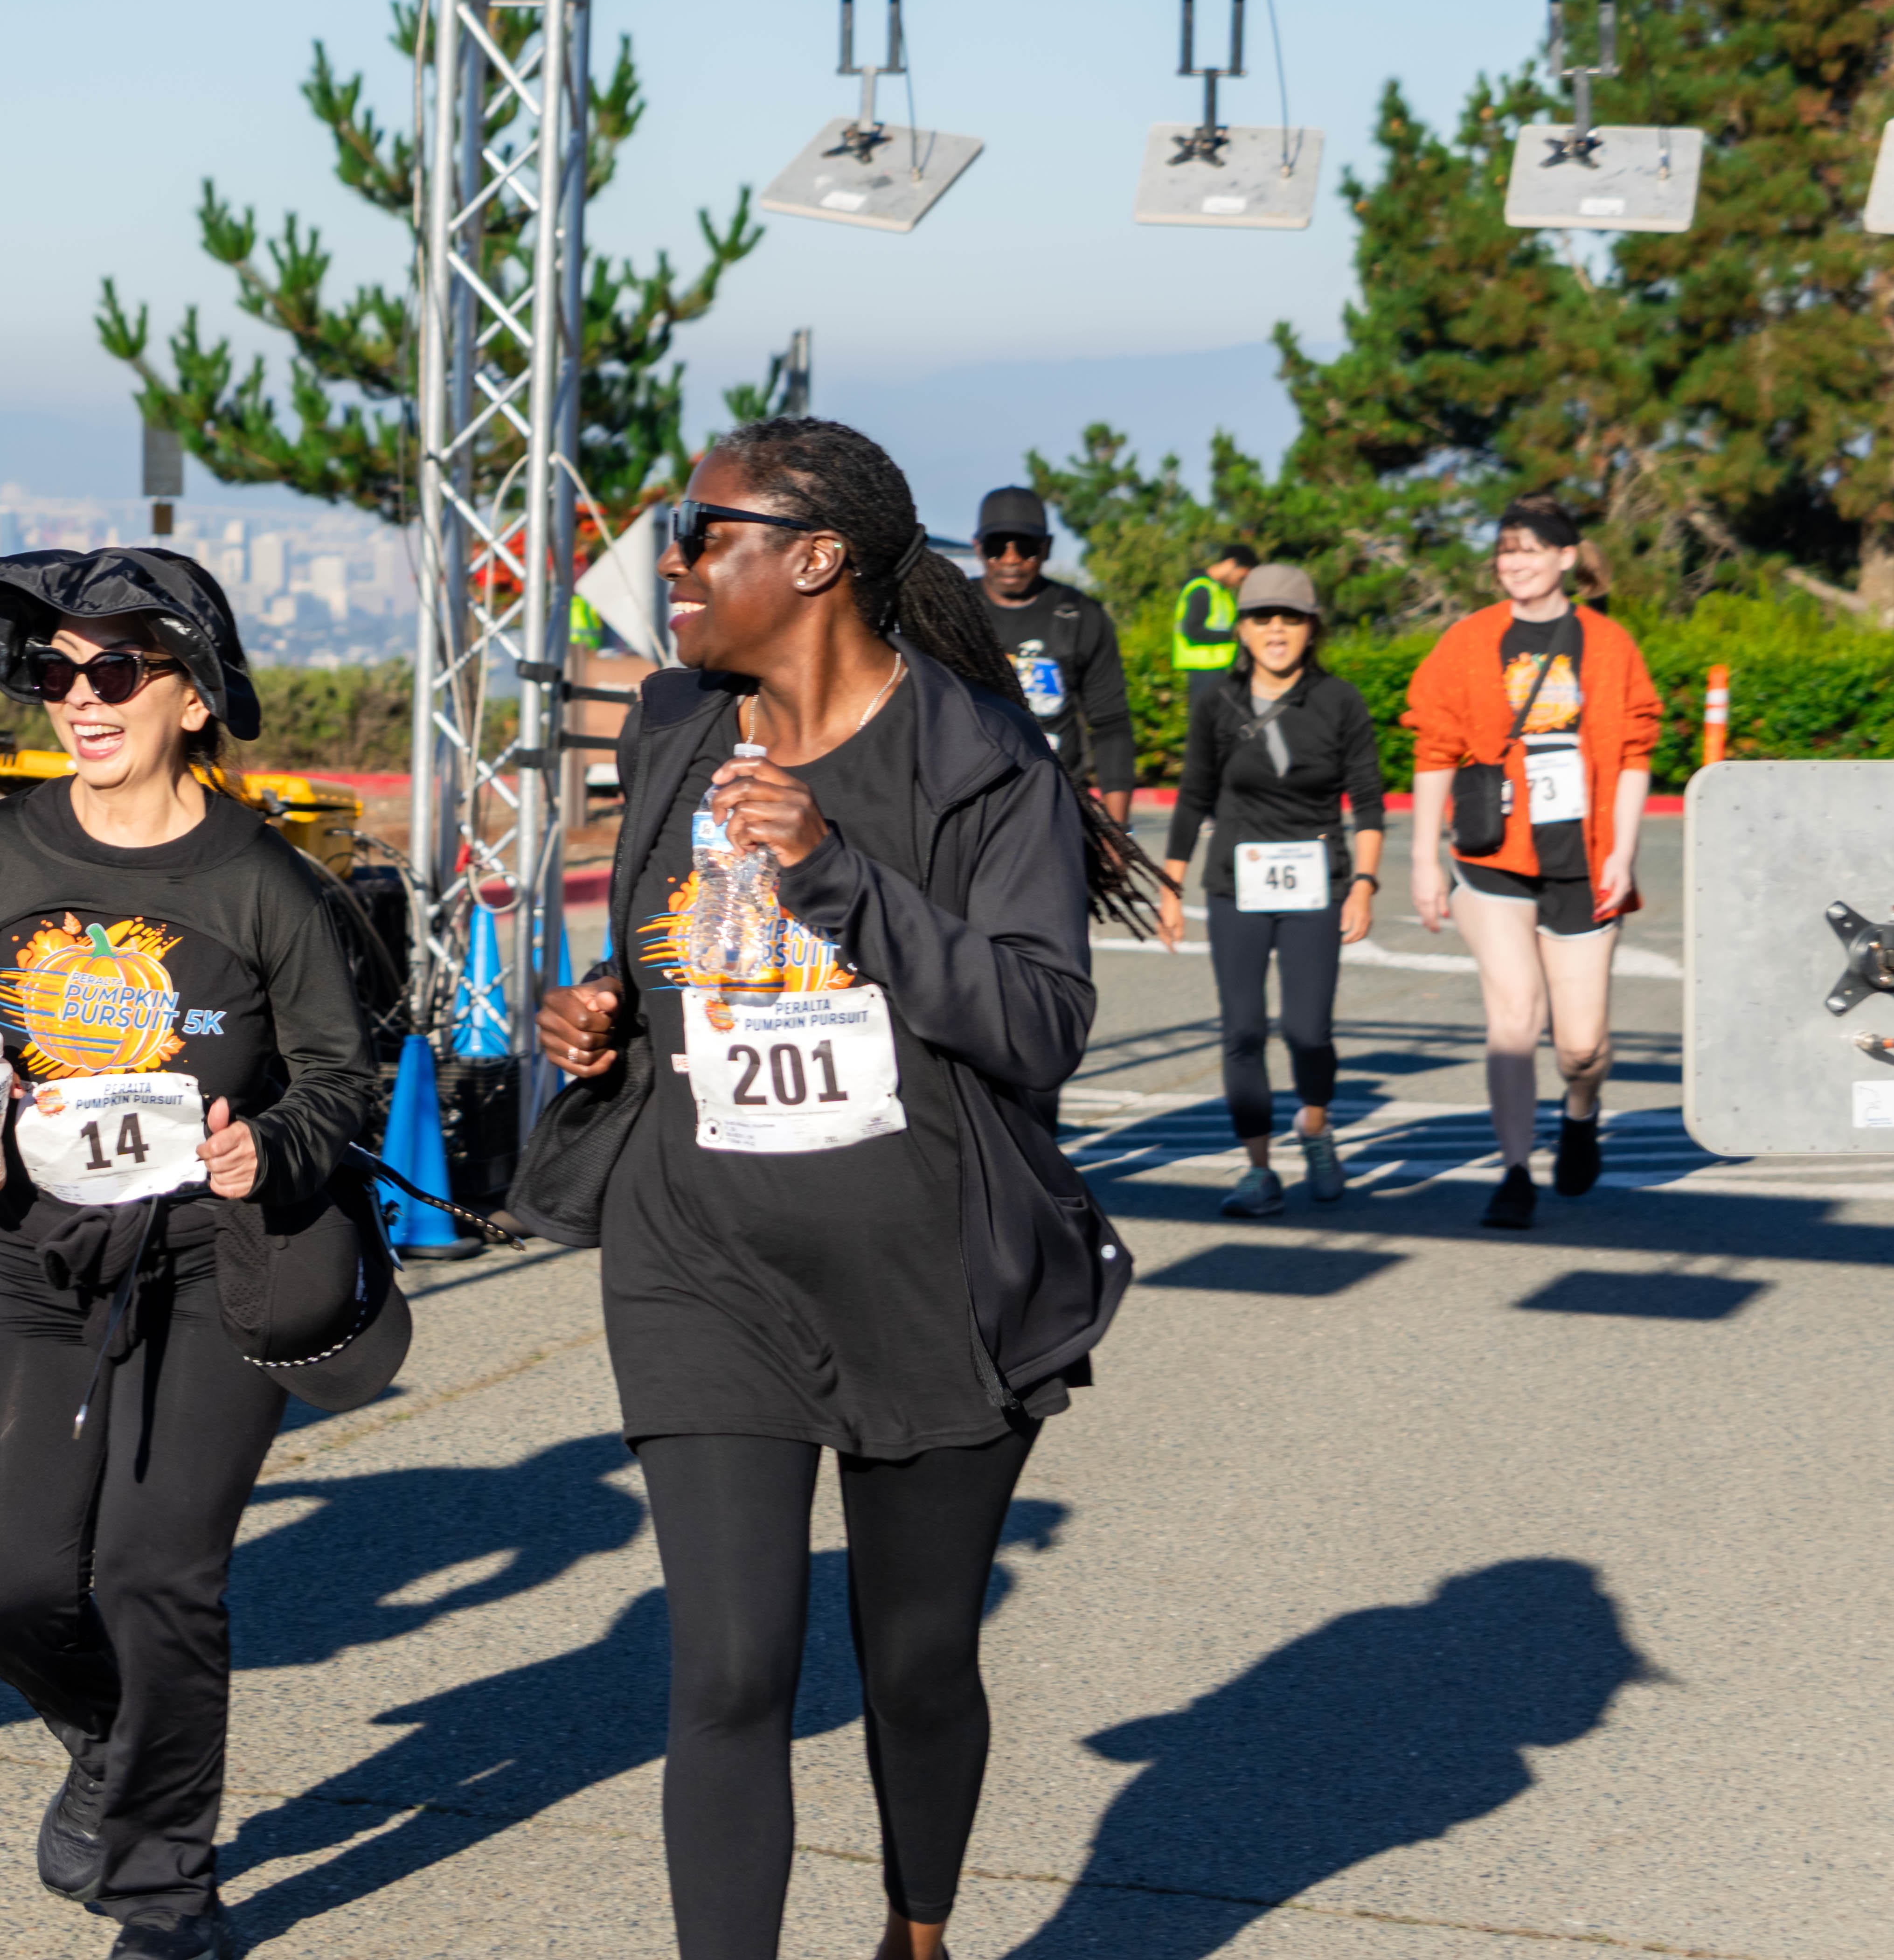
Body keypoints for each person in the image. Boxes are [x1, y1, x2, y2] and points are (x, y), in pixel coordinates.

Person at [536, 419, 1152, 1960]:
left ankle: (916, 1926)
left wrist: (837, 874)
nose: (671, 559)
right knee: (729, 1668)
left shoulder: (976, 760)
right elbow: (676, 944)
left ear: (812, 560)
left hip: (928, 1273)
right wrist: (609, 1008)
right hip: (701, 1256)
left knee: (917, 1657)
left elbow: (1035, 1022)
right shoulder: (676, 722)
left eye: (700, 528)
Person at [0, 549, 389, 1960]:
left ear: (192, 697)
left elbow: (341, 1081)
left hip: (208, 1263)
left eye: (113, 669)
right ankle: (114, 1739)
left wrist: (273, 1150)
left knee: (153, 1569)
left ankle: (165, 1894)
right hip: (26, 1255)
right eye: (55, 673)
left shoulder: (263, 884)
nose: (77, 697)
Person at [1402, 499, 1660, 1230]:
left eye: (1529, 550)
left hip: (1583, 859)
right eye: (1504, 551)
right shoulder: (1467, 640)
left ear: (1567, 558)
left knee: (1581, 1046)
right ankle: (1515, 1170)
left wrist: (1624, 851)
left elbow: (1638, 753)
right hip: (1493, 854)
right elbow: (1433, 749)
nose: (1513, 563)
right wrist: (1424, 859)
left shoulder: (1609, 646)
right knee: (1514, 1016)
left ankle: (1581, 1112)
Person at [1157, 563, 1386, 1217]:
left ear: (1312, 628)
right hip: (1236, 883)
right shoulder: (1215, 703)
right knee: (1244, 1030)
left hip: (1318, 881)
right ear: (1243, 629)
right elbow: (1193, 798)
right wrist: (1169, 887)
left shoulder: (1339, 701)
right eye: (1262, 617)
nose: (1276, 629)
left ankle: (1313, 1125)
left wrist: (1364, 885)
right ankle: (1257, 1169)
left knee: (1307, 1030)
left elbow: (1367, 804)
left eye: (1289, 617)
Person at [966, 484, 1134, 829]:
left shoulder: (1081, 616)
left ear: (1046, 548)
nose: (1011, 559)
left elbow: (1111, 726)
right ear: (979, 549)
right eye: (998, 547)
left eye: (1025, 547)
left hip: (1057, 810)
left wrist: (1117, 832)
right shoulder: (950, 609)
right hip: (971, 810)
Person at [1172, 541, 1259, 721]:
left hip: (1220, 670)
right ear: (1230, 564)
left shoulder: (1220, 592)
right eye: (1242, 577)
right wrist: (1234, 634)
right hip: (1204, 671)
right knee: (1207, 726)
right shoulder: (1201, 589)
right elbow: (1193, 631)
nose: (1240, 583)